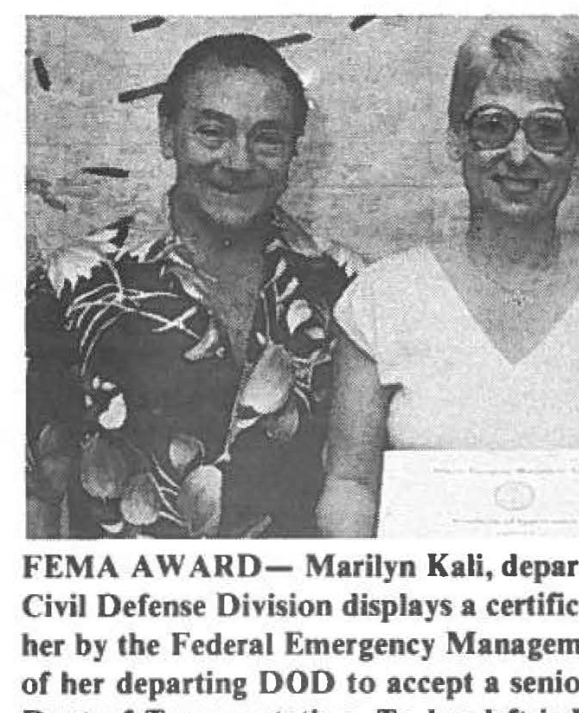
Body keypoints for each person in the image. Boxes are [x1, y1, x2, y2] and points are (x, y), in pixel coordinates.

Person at [318, 25, 579, 537]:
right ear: (456, 138)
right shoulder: (381, 300)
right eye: (493, 126)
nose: (519, 155)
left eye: (547, 130)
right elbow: (351, 483)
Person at [26, 34, 362, 538]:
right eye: (212, 132)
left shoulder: (349, 289)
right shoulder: (74, 283)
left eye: (268, 138)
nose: (238, 161)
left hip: (296, 609)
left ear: (294, 150)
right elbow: (33, 495)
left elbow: (363, 485)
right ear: (168, 135)